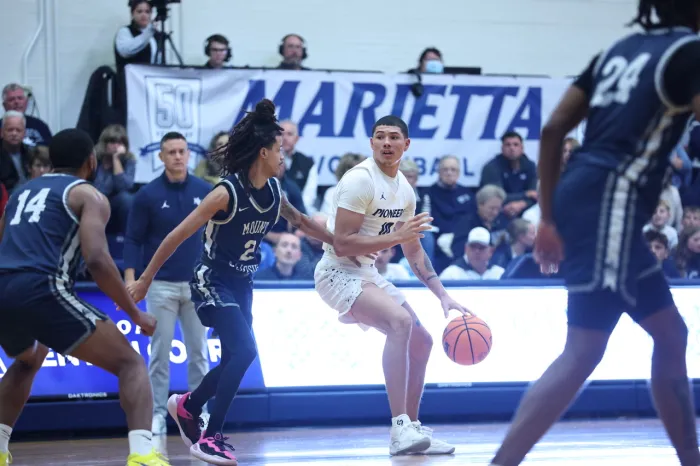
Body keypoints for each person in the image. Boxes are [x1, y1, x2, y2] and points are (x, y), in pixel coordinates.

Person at [489, 2, 700, 465]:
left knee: (671, 332)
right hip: (611, 201)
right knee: (584, 348)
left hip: (587, 194)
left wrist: (548, 216)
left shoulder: (617, 51)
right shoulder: (688, 52)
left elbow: (552, 129)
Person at [126, 99, 336, 465]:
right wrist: (144, 279)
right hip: (212, 280)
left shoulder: (274, 193)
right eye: (280, 151)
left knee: (236, 359)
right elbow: (176, 235)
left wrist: (341, 244)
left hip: (243, 284)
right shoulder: (225, 193)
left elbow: (302, 222)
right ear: (263, 152)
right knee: (245, 352)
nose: (284, 157)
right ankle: (210, 436)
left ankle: (189, 405)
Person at [0, 129, 170, 466]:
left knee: (28, 360)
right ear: (91, 162)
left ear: (50, 162)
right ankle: (143, 454)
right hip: (42, 287)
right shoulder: (88, 195)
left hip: (3, 289)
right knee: (131, 363)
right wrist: (135, 313)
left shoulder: (20, 192)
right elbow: (97, 260)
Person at [314, 115, 469, 456]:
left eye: (393, 137)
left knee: (423, 341)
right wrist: (397, 235)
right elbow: (341, 243)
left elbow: (412, 250)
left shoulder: (405, 191)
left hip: (367, 272)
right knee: (400, 324)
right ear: (371, 143)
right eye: (380, 136)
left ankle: (412, 429)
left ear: (406, 144)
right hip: (336, 271)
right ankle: (399, 427)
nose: (386, 142)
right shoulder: (360, 181)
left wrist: (443, 294)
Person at [124, 132, 212, 436]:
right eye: (171, 152)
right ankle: (157, 414)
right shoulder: (147, 195)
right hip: (160, 285)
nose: (177, 156)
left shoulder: (206, 190)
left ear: (189, 155)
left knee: (199, 352)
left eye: (182, 151)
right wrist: (130, 279)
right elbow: (133, 239)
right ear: (161, 157)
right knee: (159, 354)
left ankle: (198, 412)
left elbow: (216, 237)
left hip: (197, 285)